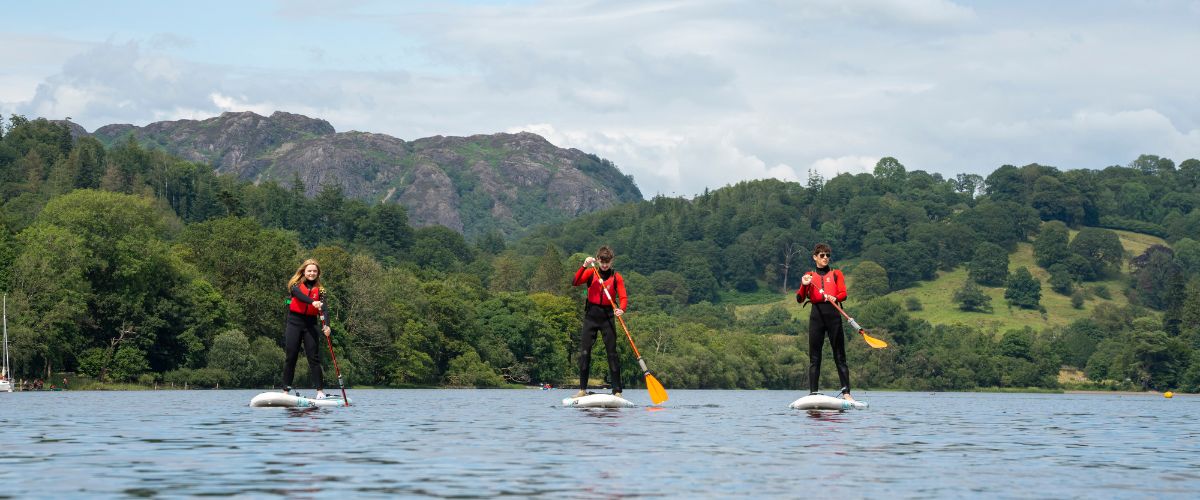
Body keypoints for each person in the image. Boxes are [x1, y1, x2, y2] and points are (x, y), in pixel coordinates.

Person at [795, 243, 856, 402]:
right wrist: (804, 284)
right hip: (817, 315)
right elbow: (800, 298)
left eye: (828, 255)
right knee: (815, 358)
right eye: (822, 255)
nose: (825, 258)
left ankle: (846, 393)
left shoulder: (837, 274)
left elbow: (843, 293)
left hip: (833, 314)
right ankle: (813, 393)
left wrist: (836, 297)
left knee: (839, 356)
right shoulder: (809, 275)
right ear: (815, 257)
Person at [570, 246, 627, 398]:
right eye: (602, 262)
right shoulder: (590, 272)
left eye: (607, 262)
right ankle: (582, 389)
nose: (605, 265)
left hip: (608, 316)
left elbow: (623, 297)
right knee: (584, 352)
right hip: (591, 316)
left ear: (611, 261)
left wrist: (621, 309)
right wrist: (584, 265)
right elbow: (575, 282)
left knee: (612, 354)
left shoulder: (616, 277)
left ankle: (617, 391)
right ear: (598, 259)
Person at [282, 259, 331, 399]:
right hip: (294, 323)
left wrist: (327, 326)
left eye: (315, 271)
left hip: (311, 324)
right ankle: (285, 391)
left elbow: (325, 310)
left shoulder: (321, 290)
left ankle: (320, 392)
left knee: (314, 358)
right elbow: (299, 296)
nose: (312, 273)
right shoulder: (295, 285)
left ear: (318, 273)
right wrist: (312, 302)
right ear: (304, 271)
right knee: (291, 357)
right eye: (309, 271)